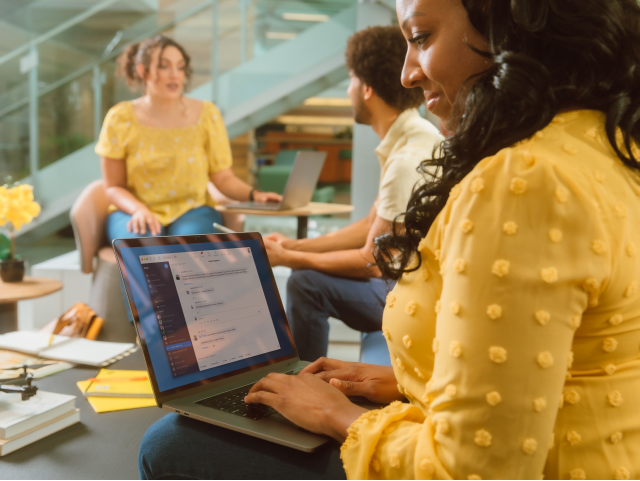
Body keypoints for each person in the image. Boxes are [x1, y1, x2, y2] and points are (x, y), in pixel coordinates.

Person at [139, 0, 640, 479]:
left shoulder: (523, 179)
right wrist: (404, 385)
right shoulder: (608, 145)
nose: (407, 73)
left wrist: (339, 417)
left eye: (420, 37)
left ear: (512, 29)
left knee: (166, 445)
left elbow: (473, 470)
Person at [264, 26, 443, 362]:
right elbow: (369, 228)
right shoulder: (411, 137)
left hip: (412, 293)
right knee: (305, 275)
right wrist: (290, 245)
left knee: (304, 283)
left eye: (351, 79)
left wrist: (288, 259)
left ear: (367, 89)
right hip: (409, 277)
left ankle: (303, 380)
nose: (348, 90)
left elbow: (372, 263)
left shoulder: (406, 161)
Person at [96, 35, 281, 243]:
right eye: (164, 66)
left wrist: (254, 194)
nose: (175, 75)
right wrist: (138, 210)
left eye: (180, 67)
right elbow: (113, 187)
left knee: (185, 250)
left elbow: (223, 178)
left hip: (193, 210)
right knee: (144, 246)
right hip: (133, 211)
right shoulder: (119, 118)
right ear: (143, 71)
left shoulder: (207, 114)